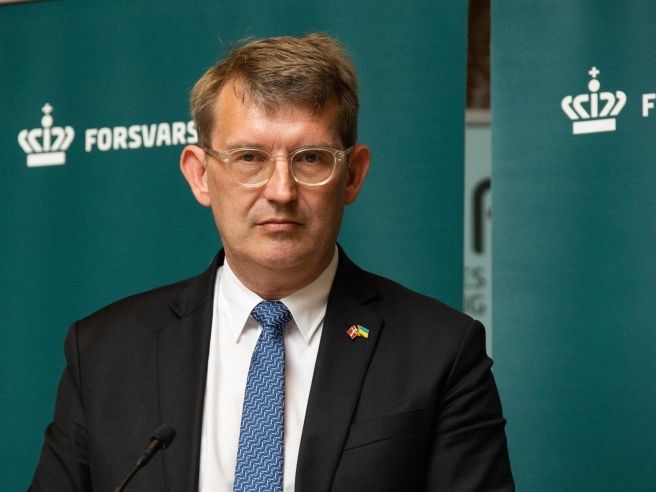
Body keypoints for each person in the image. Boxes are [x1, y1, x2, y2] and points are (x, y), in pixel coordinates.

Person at [31, 34, 514, 491]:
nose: (281, 191)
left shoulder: (440, 353)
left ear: (352, 175)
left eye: (310, 159)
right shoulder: (105, 352)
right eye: (249, 158)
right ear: (200, 175)